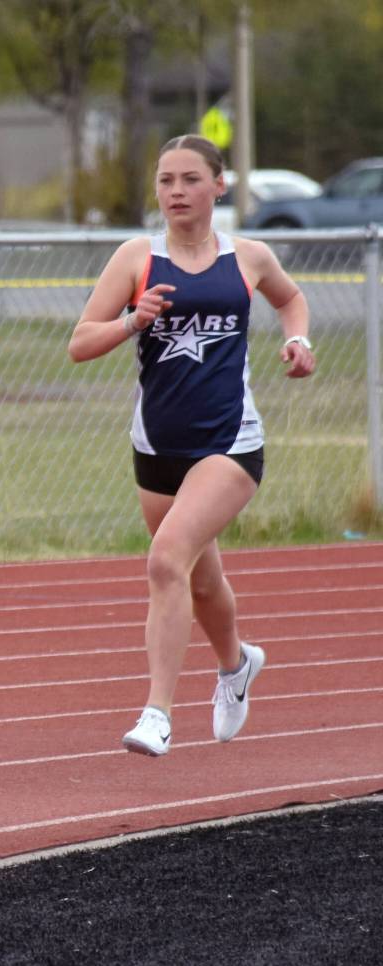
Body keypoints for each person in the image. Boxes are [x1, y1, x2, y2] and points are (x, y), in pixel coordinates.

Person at [67, 134, 315, 758]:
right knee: (199, 582)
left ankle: (157, 712)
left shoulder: (249, 257)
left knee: (164, 560)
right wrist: (132, 320)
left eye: (189, 179)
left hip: (230, 443)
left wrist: (299, 340)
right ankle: (236, 664)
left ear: (218, 185)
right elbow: (79, 342)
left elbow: (290, 299)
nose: (175, 191)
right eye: (165, 180)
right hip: (157, 448)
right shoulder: (136, 258)